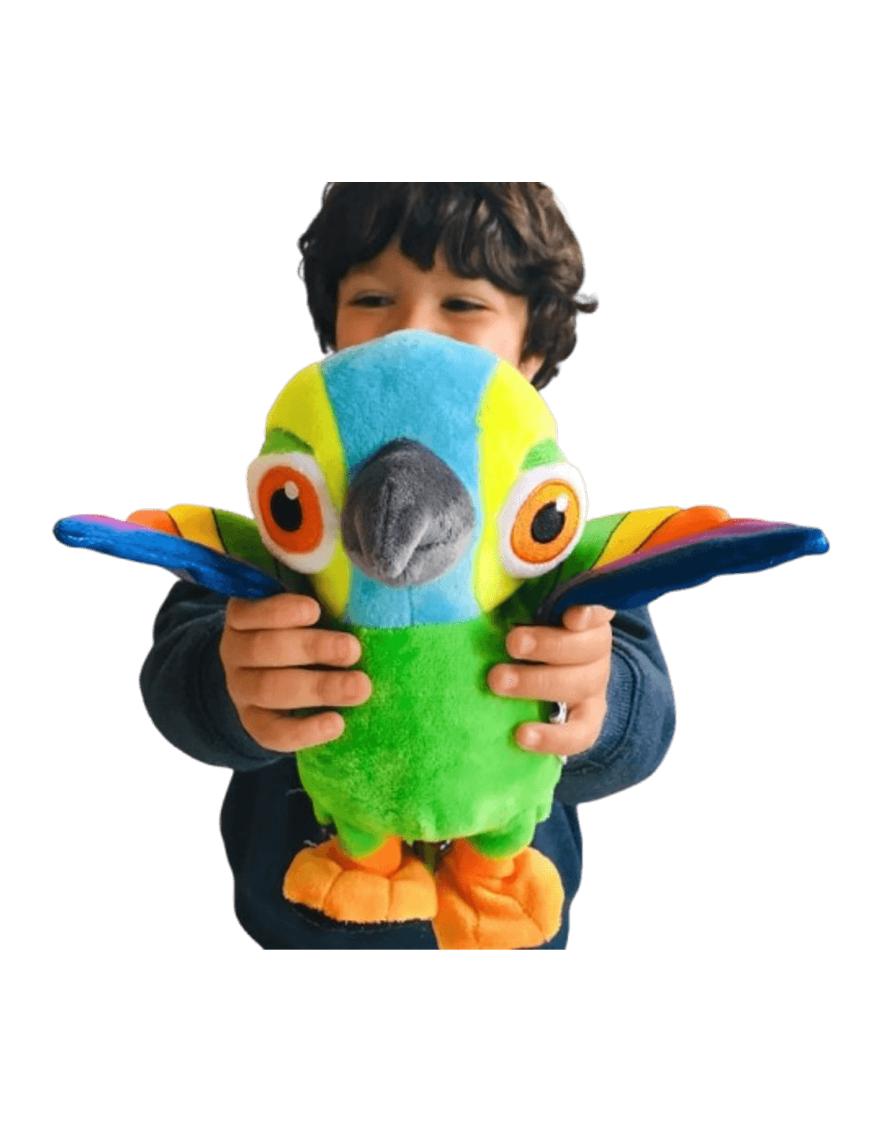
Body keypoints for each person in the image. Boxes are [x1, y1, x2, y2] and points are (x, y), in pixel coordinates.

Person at [140, 183, 676, 949]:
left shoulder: (547, 534)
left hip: (505, 933)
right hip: (298, 923)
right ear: (332, 333)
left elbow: (647, 716)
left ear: (530, 353)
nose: (411, 331)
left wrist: (597, 701)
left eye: (463, 304)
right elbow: (176, 672)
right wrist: (232, 686)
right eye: (373, 298)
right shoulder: (293, 512)